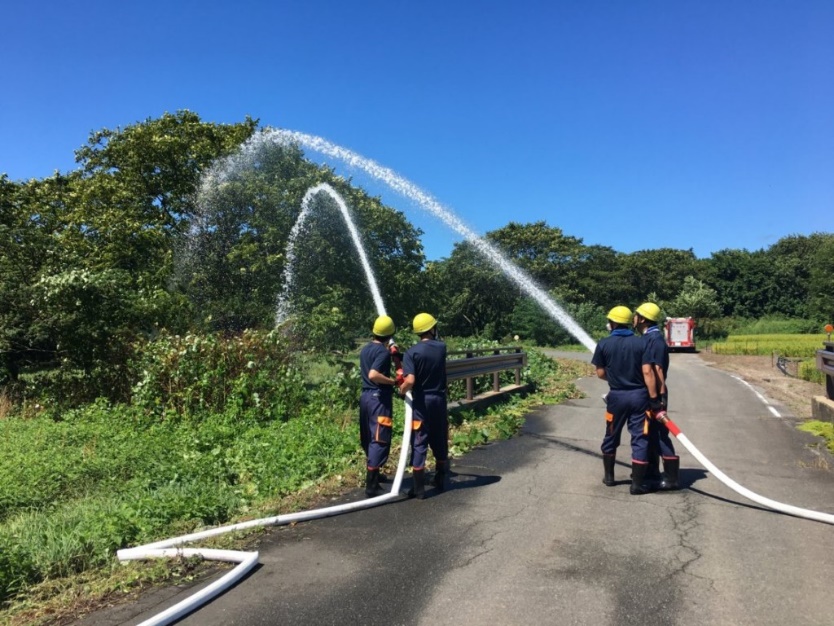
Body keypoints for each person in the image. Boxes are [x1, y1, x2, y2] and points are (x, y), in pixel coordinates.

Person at [592, 305, 662, 495]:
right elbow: (648, 372)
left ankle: (609, 477)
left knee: (611, 434)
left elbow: (600, 373)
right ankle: (637, 484)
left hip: (616, 397)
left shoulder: (604, 344)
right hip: (640, 396)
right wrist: (654, 398)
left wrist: (615, 378)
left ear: (613, 322)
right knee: (640, 437)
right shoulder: (641, 343)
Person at [398, 312, 449, 499]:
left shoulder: (412, 353)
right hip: (439, 399)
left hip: (421, 402)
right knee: (439, 436)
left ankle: (418, 488)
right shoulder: (442, 347)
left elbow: (410, 379)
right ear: (432, 329)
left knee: (420, 439)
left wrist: (402, 390)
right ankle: (441, 478)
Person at [634, 302, 680, 490]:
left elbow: (658, 370)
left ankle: (671, 478)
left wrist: (658, 401)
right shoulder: (648, 338)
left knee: (660, 433)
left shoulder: (656, 340)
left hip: (656, 394)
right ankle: (651, 471)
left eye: (636, 315)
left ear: (643, 319)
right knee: (649, 431)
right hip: (648, 393)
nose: (633, 318)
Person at [359, 315, 403, 497]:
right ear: (390, 333)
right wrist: (393, 382)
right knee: (380, 436)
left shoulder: (365, 349)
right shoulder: (382, 353)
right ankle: (371, 485)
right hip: (378, 398)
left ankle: (375, 474)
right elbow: (373, 374)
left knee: (369, 436)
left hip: (366, 398)